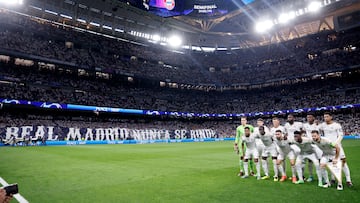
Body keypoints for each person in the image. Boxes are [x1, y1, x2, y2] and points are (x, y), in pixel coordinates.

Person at [319, 112, 353, 188]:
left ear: (331, 117)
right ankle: (333, 179)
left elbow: (341, 135)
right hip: (328, 147)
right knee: (331, 162)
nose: (325, 118)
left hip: (337, 146)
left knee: (343, 162)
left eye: (327, 117)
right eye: (324, 117)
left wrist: (336, 143)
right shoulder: (323, 125)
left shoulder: (336, 125)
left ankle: (348, 180)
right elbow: (317, 130)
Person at [302, 113, 322, 182]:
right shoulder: (305, 125)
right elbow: (303, 132)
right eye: (308, 117)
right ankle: (311, 176)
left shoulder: (318, 125)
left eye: (310, 117)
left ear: (314, 118)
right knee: (310, 161)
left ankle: (322, 176)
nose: (309, 118)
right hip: (309, 145)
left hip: (318, 145)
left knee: (320, 161)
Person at [270, 117, 285, 181]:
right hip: (274, 146)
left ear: (278, 122)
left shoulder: (282, 128)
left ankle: (283, 174)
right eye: (273, 122)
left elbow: (285, 136)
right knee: (274, 160)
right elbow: (271, 138)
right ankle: (276, 175)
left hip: (281, 146)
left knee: (282, 161)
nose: (274, 123)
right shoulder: (272, 129)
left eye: (276, 121)